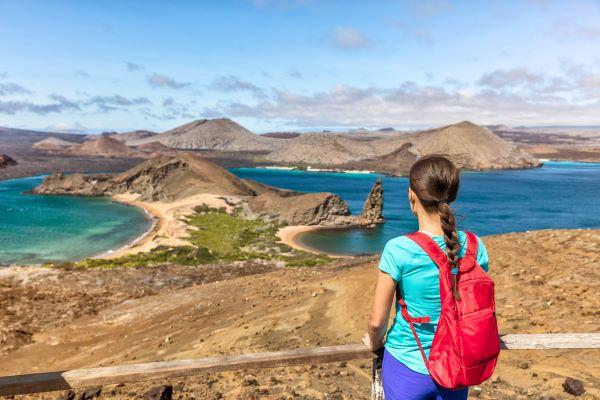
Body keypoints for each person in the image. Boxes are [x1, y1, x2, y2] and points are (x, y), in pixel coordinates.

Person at [362, 155, 490, 400]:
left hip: (407, 365)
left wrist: (374, 342)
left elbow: (377, 321)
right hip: (457, 366)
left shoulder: (398, 249)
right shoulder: (475, 245)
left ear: (412, 195)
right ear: (452, 194)